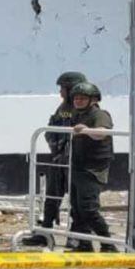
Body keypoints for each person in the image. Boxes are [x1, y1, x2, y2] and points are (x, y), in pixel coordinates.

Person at [29, 71, 87, 245]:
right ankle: (45, 232)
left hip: (76, 161)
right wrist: (55, 149)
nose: (61, 92)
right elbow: (52, 129)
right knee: (51, 198)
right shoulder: (62, 108)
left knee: (77, 202)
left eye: (63, 88)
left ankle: (76, 236)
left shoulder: (83, 109)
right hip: (58, 158)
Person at [68, 82, 115, 252]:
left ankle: (108, 244)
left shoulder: (100, 114)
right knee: (77, 210)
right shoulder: (78, 115)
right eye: (76, 98)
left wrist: (86, 130)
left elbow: (101, 133)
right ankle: (84, 243)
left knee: (89, 209)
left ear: (93, 100)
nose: (78, 101)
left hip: (93, 170)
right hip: (78, 167)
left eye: (83, 98)